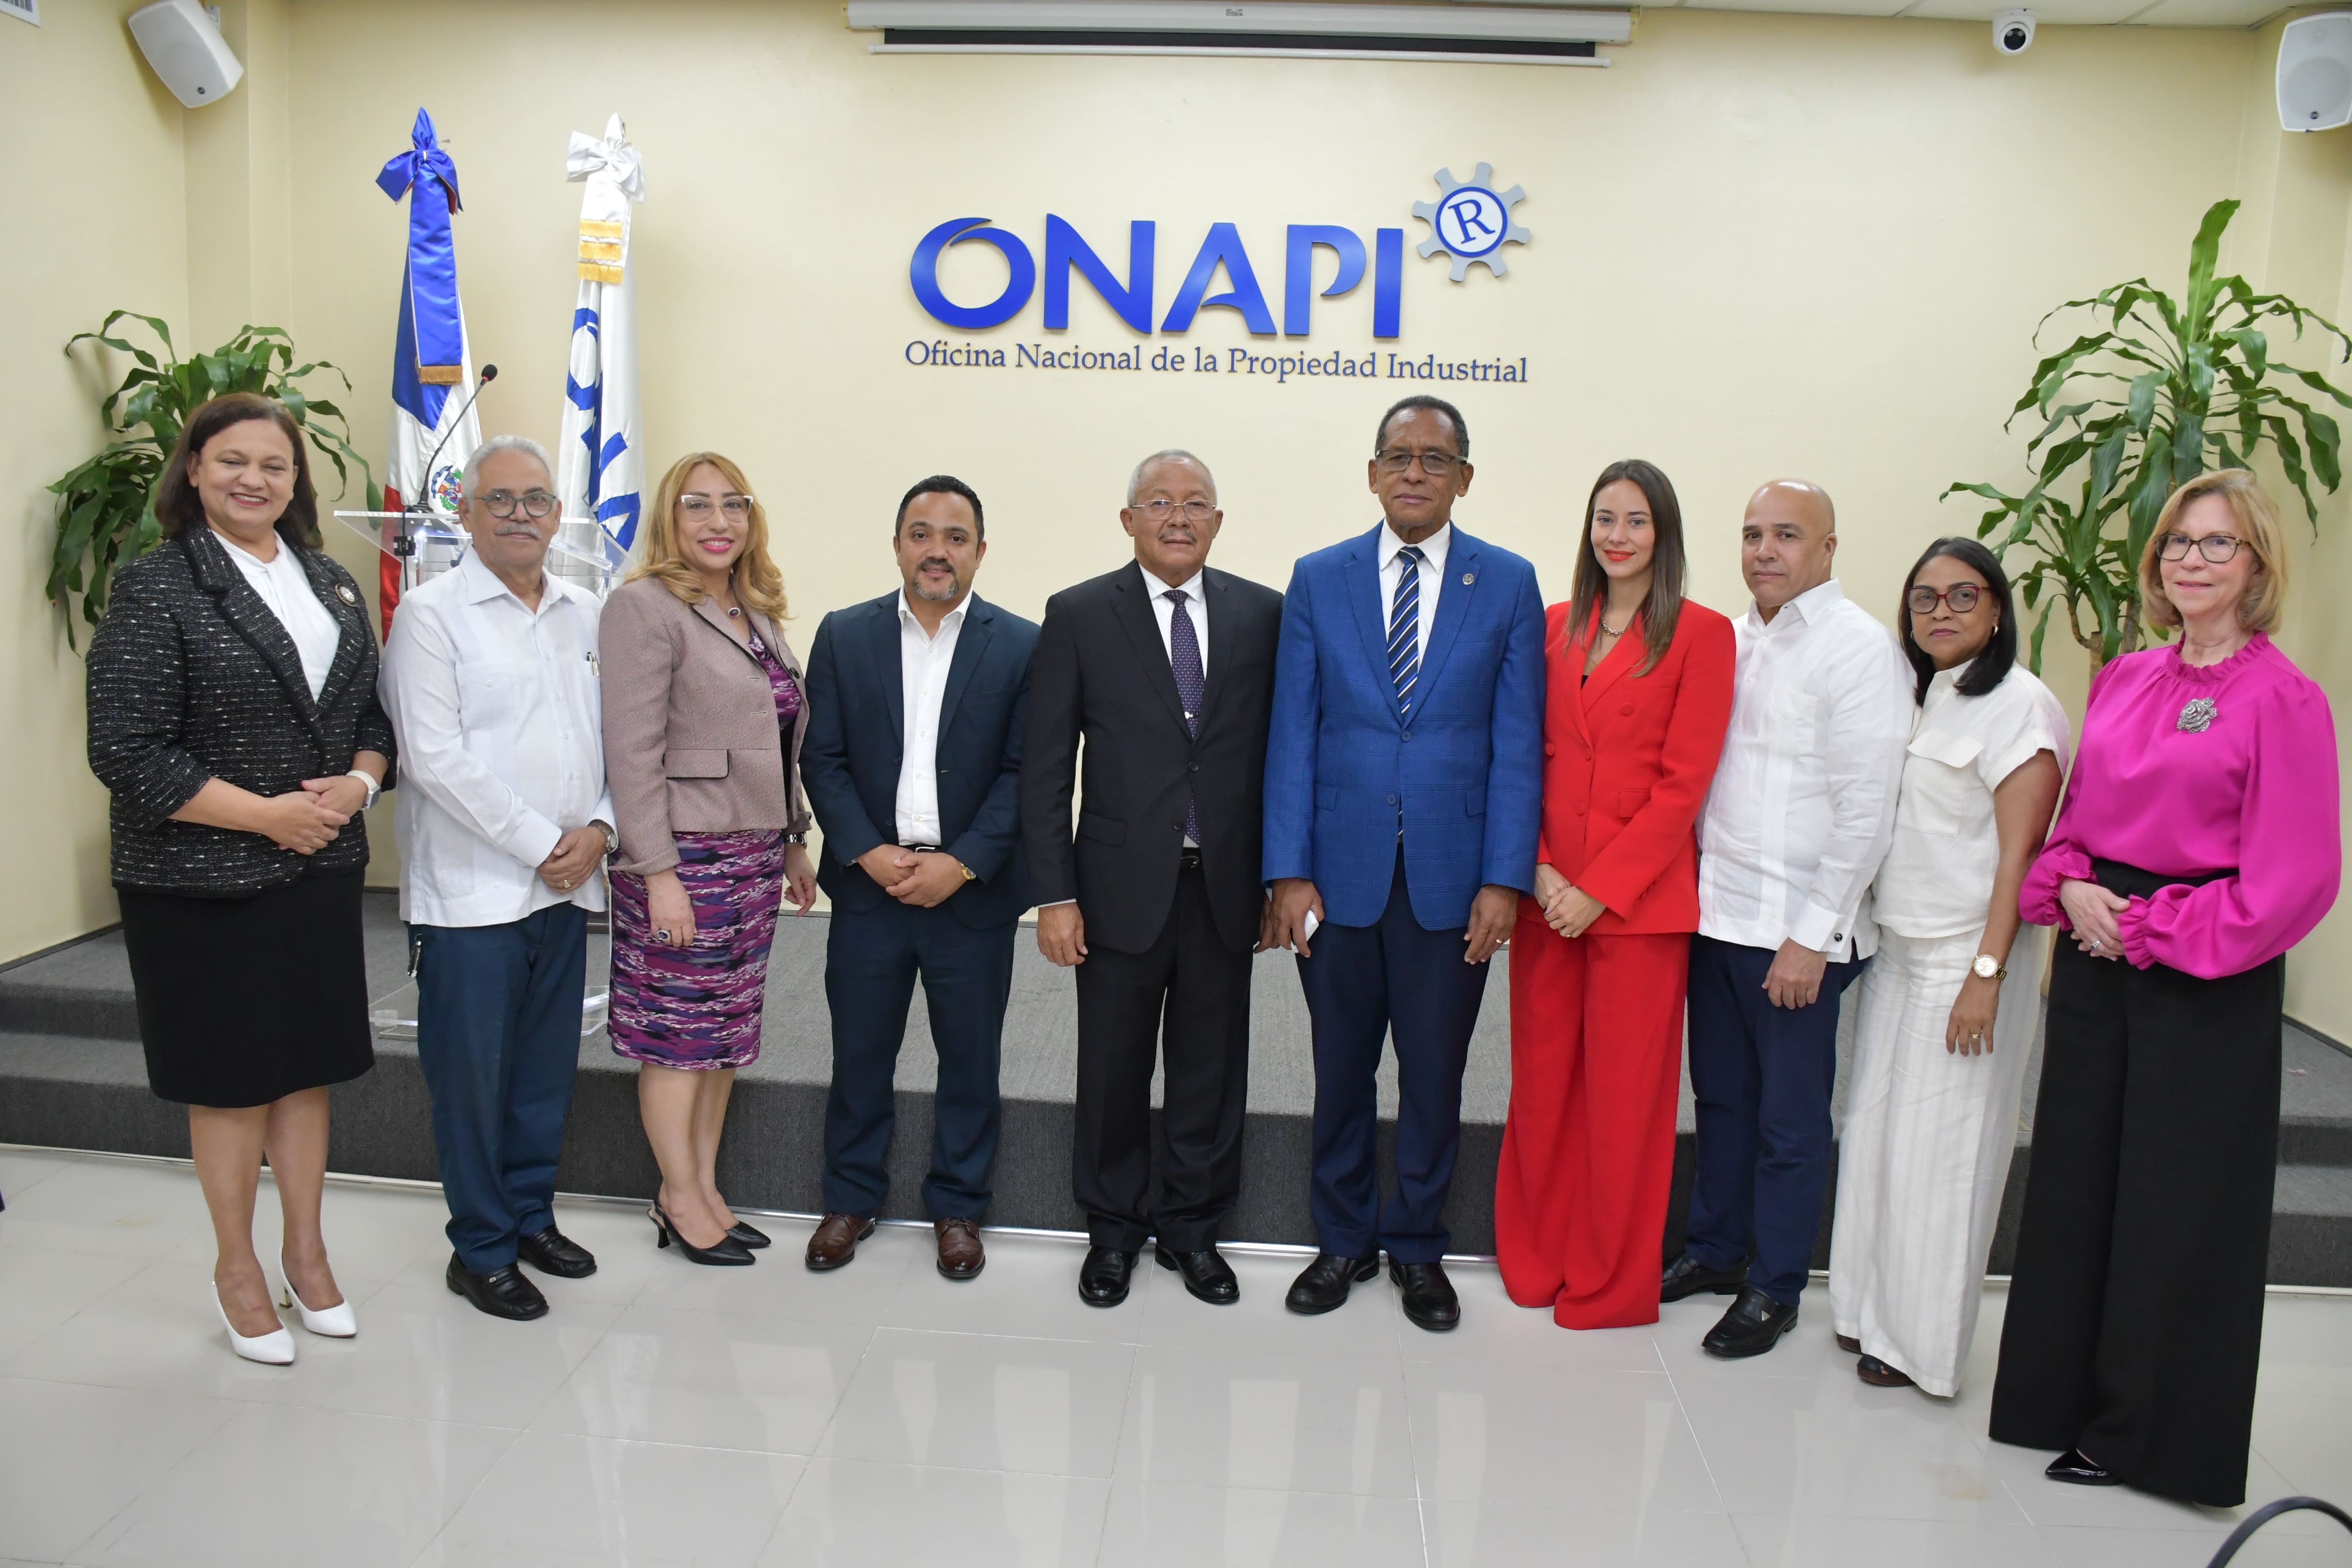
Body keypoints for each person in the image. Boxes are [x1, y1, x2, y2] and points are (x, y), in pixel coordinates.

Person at [1990, 470, 2340, 1507]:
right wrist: (2071, 888)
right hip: (2098, 954)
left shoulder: (2285, 699)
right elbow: (2075, 826)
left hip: (2204, 972)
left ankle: (2150, 1438)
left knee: (2176, 1208)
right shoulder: (2126, 678)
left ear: (2258, 563)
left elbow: (2293, 880)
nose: (2192, 559)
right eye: (2178, 542)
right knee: (2077, 1186)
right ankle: (2055, 1399)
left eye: (2217, 543)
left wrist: (2149, 925)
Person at [86, 390, 394, 1364]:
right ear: (194, 469)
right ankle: (237, 1267)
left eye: (275, 464)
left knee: (305, 1067)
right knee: (230, 1080)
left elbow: (371, 720)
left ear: (296, 480)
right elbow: (127, 749)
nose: (254, 479)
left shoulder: (329, 581)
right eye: (232, 461)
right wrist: (270, 816)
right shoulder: (158, 583)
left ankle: (307, 1251)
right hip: (203, 881)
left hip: (317, 869)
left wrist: (357, 784)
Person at [1264, 395, 1545, 1332]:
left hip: (1453, 880)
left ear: (1464, 477)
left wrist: (1504, 879)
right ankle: (1342, 1239)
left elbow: (1519, 744)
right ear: (1372, 472)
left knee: (1434, 1075)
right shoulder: (1320, 578)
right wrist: (1287, 872)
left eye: (1434, 458)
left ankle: (1419, 1246)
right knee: (1340, 1070)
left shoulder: (1507, 583)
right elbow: (1292, 732)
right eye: (1398, 456)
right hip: (1335, 876)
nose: (1414, 472)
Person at [1024, 450, 1285, 1309]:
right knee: (1113, 1065)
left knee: (1211, 1068)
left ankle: (1193, 1229)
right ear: (1128, 518)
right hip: (1115, 889)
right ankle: (1112, 1231)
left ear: (1218, 521)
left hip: (1225, 886)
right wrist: (1055, 894)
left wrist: (1281, 876)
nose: (1179, 517)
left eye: (1196, 503)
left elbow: (1283, 755)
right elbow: (1046, 768)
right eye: (1160, 502)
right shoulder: (1078, 614)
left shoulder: (1263, 614)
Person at [1664, 479, 1910, 1358]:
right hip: (1719, 918)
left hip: (1797, 934)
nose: (1765, 551)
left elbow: (1867, 811)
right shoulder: (1729, 641)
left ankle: (1775, 1285)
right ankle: (1717, 1250)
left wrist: (1813, 936)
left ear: (1829, 548)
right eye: (1752, 534)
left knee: (1790, 1121)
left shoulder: (1861, 650)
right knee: (1723, 1101)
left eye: (1788, 535)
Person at [380, 434, 615, 1321]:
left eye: (537, 500)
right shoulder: (430, 614)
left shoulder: (587, 612)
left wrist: (601, 829)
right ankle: (479, 1247)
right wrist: (544, 842)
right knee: (473, 1082)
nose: (522, 514)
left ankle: (529, 1217)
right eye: (501, 499)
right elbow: (432, 756)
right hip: (471, 895)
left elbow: (619, 739)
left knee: (545, 1073)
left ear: (558, 516)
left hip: (567, 885)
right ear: (466, 511)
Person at [1494, 460, 1734, 1330]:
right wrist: (1539, 868)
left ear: (1663, 534)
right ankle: (1536, 1261)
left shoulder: (1703, 635)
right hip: (1546, 896)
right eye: (1605, 518)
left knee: (1626, 1102)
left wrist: (1600, 890)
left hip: (1637, 906)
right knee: (1543, 1086)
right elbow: (1519, 754)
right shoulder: (1553, 625)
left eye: (1636, 520)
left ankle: (1608, 1283)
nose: (1618, 536)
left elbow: (1683, 787)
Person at [1827, 538, 2068, 1393]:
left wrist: (1986, 976)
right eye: (1924, 597)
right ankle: (1865, 1311)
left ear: (1997, 608)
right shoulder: (1927, 694)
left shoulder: (2020, 706)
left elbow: (2020, 859)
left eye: (1963, 596)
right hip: (1901, 951)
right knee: (1878, 1139)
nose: (1940, 611)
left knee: (1944, 1159)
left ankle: (1921, 1347)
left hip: (1965, 960)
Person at [798, 475, 1038, 1281]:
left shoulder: (1022, 644)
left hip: (971, 895)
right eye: (922, 534)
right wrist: (865, 850)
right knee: (859, 1053)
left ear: (980, 550)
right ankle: (850, 1198)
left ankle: (959, 1207)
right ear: (898, 545)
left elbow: (1027, 772)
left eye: (956, 537)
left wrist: (961, 863)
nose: (939, 551)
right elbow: (822, 757)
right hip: (869, 888)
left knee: (970, 1060)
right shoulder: (844, 634)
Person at [602, 452, 817, 1267]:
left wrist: (793, 839)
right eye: (698, 505)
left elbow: (778, 741)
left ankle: (704, 1187)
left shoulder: (753, 609)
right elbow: (632, 754)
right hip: (684, 860)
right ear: (670, 518)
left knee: (725, 1035)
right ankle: (678, 1197)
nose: (718, 521)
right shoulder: (642, 608)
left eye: (734, 504)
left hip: (753, 857)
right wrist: (658, 874)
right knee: (678, 1037)